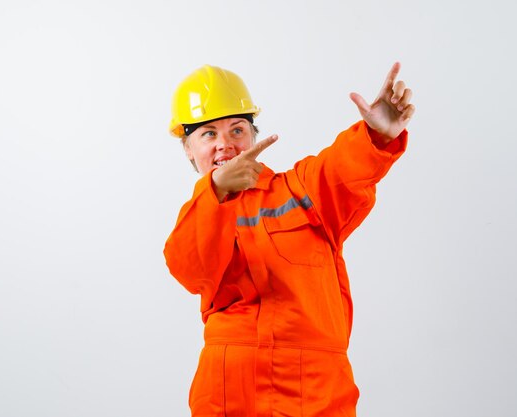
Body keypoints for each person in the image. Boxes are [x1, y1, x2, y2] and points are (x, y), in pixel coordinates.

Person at [164, 63, 414, 417]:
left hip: (314, 390)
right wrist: (217, 191)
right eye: (208, 134)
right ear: (188, 149)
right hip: (230, 391)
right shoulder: (199, 214)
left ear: (253, 137)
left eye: (237, 130)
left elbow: (342, 169)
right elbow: (190, 271)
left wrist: (375, 135)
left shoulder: (302, 191)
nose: (226, 145)